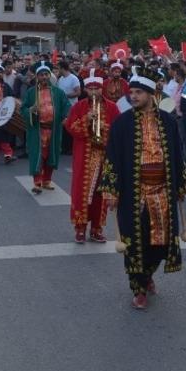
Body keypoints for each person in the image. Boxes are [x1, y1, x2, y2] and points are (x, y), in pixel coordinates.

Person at [100, 67, 186, 310]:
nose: (134, 97)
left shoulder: (169, 122)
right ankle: (138, 287)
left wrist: (180, 184)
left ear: (150, 94)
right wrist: (111, 189)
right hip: (134, 193)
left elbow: (178, 155)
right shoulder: (122, 123)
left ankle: (148, 273)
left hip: (162, 192)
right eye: (132, 92)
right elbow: (112, 158)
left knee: (160, 243)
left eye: (139, 92)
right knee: (136, 242)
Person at [63, 70, 119, 243]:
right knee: (82, 193)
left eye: (97, 88)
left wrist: (104, 127)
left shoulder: (112, 107)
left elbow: (118, 131)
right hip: (84, 156)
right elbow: (70, 128)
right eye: (90, 89)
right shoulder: (79, 107)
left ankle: (97, 228)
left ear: (102, 89)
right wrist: (86, 119)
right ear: (85, 90)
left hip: (103, 156)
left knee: (100, 195)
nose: (93, 92)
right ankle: (80, 228)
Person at [22, 62, 68, 193]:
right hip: (37, 129)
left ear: (50, 75)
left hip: (54, 129)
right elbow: (23, 108)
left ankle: (47, 180)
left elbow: (66, 106)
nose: (44, 77)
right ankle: (37, 182)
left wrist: (65, 116)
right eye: (41, 75)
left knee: (51, 155)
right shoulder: (31, 92)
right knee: (38, 155)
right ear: (37, 77)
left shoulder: (58, 92)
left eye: (46, 74)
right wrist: (31, 110)